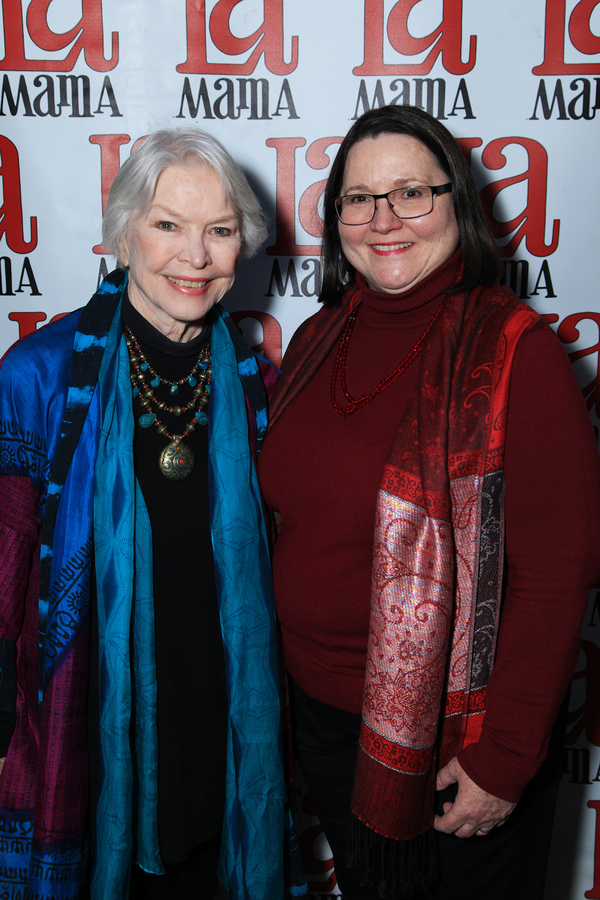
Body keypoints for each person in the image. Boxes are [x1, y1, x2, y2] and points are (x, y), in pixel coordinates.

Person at [258, 105, 600, 900]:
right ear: (335, 214)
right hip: (322, 719)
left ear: (460, 204)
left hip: (458, 743)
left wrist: (506, 757)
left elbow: (557, 572)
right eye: (358, 198)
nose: (384, 220)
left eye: (412, 192)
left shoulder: (521, 353)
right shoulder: (318, 338)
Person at [0, 127, 291, 900]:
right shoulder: (41, 376)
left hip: (221, 724)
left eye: (219, 231)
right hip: (84, 726)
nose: (193, 255)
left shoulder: (259, 383)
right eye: (166, 224)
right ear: (123, 235)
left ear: (243, 248)